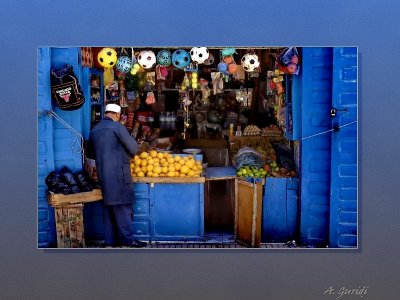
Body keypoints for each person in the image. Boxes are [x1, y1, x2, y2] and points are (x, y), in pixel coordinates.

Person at [86, 103, 147, 248]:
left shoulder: (94, 130)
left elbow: (89, 153)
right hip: (120, 174)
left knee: (109, 208)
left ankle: (110, 242)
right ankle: (127, 241)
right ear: (118, 115)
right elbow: (133, 148)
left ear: (106, 113)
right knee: (123, 208)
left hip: (103, 176)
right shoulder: (118, 127)